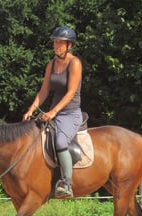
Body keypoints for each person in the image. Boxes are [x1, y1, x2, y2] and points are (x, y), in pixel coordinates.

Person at [23, 26, 83, 198]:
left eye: (60, 43)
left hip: (69, 114)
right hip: (53, 113)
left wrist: (54, 111)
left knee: (60, 142)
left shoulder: (75, 63)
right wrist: (31, 109)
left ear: (69, 45)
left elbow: (71, 92)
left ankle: (67, 184)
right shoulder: (52, 64)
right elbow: (44, 91)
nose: (56, 45)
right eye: (55, 42)